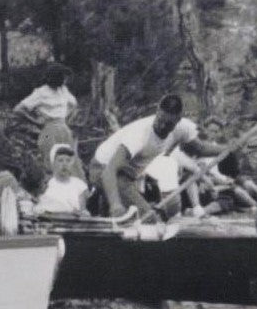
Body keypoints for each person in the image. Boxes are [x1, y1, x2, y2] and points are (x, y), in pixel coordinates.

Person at [91, 94, 226, 219]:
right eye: (160, 120)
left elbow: (200, 148)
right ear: (157, 112)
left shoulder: (183, 128)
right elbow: (110, 170)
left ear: (178, 119)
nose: (162, 126)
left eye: (168, 124)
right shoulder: (139, 134)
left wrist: (227, 149)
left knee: (138, 216)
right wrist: (116, 205)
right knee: (148, 219)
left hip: (127, 175)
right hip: (103, 169)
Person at [34, 142, 90, 216]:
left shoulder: (79, 185)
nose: (64, 164)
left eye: (68, 160)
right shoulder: (47, 184)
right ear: (54, 163)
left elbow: (82, 211)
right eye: (60, 160)